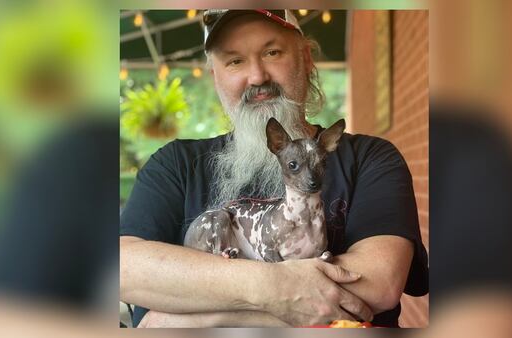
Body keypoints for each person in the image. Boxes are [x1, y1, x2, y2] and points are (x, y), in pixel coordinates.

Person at [120, 9, 428, 328]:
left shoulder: (371, 157)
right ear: (215, 76)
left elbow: (380, 284)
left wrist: (180, 318)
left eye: (272, 52)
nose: (257, 77)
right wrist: (270, 290)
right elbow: (125, 268)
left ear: (306, 59)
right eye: (234, 60)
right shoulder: (176, 164)